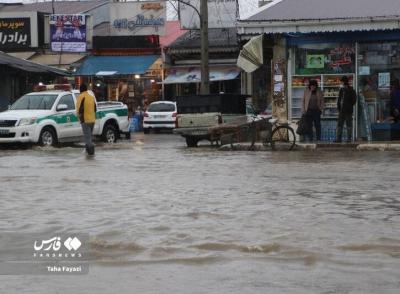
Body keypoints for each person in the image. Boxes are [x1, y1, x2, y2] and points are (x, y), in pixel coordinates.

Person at [76, 83, 97, 155]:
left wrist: (79, 118)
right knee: (89, 138)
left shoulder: (81, 97)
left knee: (88, 139)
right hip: (92, 120)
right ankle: (87, 154)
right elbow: (95, 109)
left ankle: (91, 154)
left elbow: (78, 110)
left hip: (85, 120)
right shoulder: (91, 97)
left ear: (80, 90)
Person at [335, 76, 357, 143]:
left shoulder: (351, 90)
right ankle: (339, 138)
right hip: (341, 110)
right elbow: (339, 99)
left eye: (342, 82)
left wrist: (348, 106)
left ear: (344, 82)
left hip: (348, 110)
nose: (341, 83)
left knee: (348, 124)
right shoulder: (341, 90)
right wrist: (339, 107)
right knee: (340, 124)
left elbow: (354, 100)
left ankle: (348, 139)